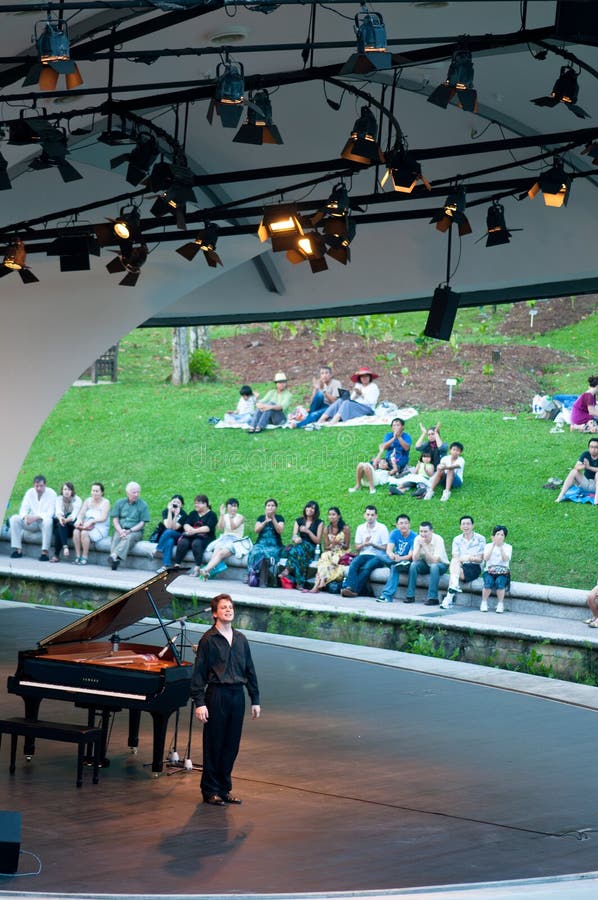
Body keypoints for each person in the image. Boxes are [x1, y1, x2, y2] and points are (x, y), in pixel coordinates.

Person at [191, 593, 260, 806]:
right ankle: (210, 790)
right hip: (217, 695)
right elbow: (199, 673)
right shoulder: (208, 639)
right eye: (223, 607)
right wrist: (199, 702)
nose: (228, 610)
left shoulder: (240, 638)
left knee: (231, 745)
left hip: (236, 696)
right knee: (214, 744)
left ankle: (224, 788)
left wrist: (255, 698)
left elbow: (250, 669)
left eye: (230, 607)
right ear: (215, 613)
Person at [348, 418, 412, 493]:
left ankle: (372, 485)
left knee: (385, 466)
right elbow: (383, 447)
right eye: (394, 425)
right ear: (392, 427)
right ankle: (358, 484)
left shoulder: (406, 436)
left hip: (399, 461)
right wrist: (394, 438)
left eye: (398, 425)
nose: (396, 427)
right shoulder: (389, 435)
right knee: (366, 465)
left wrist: (399, 437)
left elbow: (406, 447)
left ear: (402, 427)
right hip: (387, 459)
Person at [340, 505, 390, 598]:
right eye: (368, 514)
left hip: (378, 556)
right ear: (364, 515)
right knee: (354, 563)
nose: (370, 517)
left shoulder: (382, 528)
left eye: (372, 515)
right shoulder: (360, 528)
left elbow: (386, 547)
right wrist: (364, 544)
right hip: (364, 554)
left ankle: (354, 591)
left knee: (367, 567)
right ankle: (350, 588)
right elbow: (357, 548)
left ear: (376, 516)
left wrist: (373, 544)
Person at [440, 515, 485, 608]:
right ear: (460, 526)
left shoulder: (480, 539)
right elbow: (455, 557)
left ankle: (449, 598)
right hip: (460, 566)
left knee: (453, 569)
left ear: (473, 525)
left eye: (468, 524)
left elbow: (480, 559)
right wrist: (470, 557)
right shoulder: (457, 539)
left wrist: (467, 558)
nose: (466, 526)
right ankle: (453, 589)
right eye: (463, 524)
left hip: (474, 567)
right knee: (454, 562)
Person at [9, 474, 57, 561]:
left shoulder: (52, 493)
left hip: (43, 523)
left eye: (41, 486)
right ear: (33, 485)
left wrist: (35, 518)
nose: (39, 488)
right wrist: (26, 517)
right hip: (31, 522)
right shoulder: (29, 492)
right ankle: (18, 550)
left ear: (45, 485)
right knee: (14, 519)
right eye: (36, 486)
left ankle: (44, 552)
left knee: (48, 521)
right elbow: (23, 509)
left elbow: (51, 513)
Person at [198, 498, 248, 580]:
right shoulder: (225, 516)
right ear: (227, 507)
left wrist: (231, 518)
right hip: (224, 539)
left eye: (235, 506)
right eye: (231, 506)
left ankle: (206, 569)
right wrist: (221, 515)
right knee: (216, 552)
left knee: (221, 554)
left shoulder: (240, 517)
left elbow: (233, 527)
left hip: (235, 540)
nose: (233, 508)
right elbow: (220, 528)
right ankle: (208, 573)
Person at [279, 501, 323, 589]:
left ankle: (288, 568)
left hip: (312, 547)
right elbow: (294, 536)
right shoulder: (298, 521)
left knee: (296, 550)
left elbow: (318, 541)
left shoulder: (319, 522)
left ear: (315, 511)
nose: (310, 510)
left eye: (313, 508)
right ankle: (300, 583)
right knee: (299, 553)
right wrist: (296, 539)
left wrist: (308, 531)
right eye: (308, 507)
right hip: (300, 546)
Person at [307, 507, 351, 593]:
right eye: (330, 515)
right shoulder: (327, 529)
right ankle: (319, 583)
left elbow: (346, 546)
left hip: (342, 552)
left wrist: (338, 543)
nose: (331, 517)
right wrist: (333, 545)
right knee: (324, 558)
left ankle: (320, 582)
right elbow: (326, 547)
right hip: (331, 551)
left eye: (333, 514)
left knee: (332, 560)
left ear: (338, 516)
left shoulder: (345, 528)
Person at [404, 521, 449, 605]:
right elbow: (414, 559)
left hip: (441, 565)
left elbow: (435, 561)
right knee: (413, 565)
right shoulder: (418, 539)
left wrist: (424, 546)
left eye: (425, 531)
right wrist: (418, 547)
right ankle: (410, 596)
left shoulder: (438, 539)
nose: (423, 534)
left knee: (434, 567)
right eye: (421, 531)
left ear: (432, 531)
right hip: (426, 563)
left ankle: (433, 598)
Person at [108, 482, 150, 571]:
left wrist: (130, 530)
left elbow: (142, 523)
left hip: (135, 531)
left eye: (138, 492)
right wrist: (120, 531)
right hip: (120, 529)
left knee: (128, 538)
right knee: (116, 537)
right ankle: (115, 560)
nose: (136, 494)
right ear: (127, 493)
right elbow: (115, 519)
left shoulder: (143, 505)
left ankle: (114, 556)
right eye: (134, 492)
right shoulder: (119, 503)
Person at [377, 514, 417, 603]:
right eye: (401, 523)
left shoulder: (414, 536)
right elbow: (389, 550)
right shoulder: (394, 533)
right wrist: (392, 555)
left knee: (395, 567)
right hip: (395, 560)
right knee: (380, 556)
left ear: (409, 524)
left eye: (406, 523)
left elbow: (410, 556)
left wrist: (400, 559)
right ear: (397, 525)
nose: (403, 525)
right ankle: (387, 596)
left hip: (407, 562)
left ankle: (386, 595)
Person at [246, 499, 286, 587]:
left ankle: (268, 577)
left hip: (275, 544)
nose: (270, 507)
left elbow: (280, 531)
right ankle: (251, 575)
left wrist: (273, 519)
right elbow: (256, 530)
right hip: (261, 543)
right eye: (268, 505)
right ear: (265, 507)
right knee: (254, 552)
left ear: (276, 508)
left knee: (272, 554)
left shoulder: (279, 518)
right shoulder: (261, 518)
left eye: (273, 505)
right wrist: (265, 521)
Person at [174, 494, 218, 573]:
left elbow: (208, 528)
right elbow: (186, 524)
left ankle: (197, 567)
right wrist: (189, 529)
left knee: (196, 543)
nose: (195, 505)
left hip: (205, 537)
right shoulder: (193, 513)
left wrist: (194, 531)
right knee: (183, 542)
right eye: (195, 503)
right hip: (191, 535)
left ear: (205, 504)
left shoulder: (212, 515)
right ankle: (177, 565)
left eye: (198, 503)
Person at [72, 482, 111, 565]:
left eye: (97, 491)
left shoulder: (106, 502)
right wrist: (79, 519)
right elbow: (81, 513)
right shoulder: (88, 501)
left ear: (102, 492)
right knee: (75, 532)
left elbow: (103, 517)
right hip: (87, 525)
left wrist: (92, 521)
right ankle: (78, 555)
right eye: (93, 491)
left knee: (84, 533)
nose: (94, 493)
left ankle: (85, 557)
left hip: (100, 527)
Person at [555, 437, 598, 503]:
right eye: (591, 447)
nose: (593, 449)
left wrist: (589, 467)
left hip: (596, 484)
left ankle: (596, 500)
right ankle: (561, 496)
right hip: (586, 483)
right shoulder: (585, 454)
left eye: (596, 447)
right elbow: (576, 466)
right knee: (573, 472)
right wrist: (584, 466)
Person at [480, 525, 512, 613]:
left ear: (504, 537)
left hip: (503, 572)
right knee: (488, 582)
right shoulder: (488, 546)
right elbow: (485, 558)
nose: (500, 536)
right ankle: (484, 602)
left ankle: (500, 604)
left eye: (502, 535)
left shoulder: (508, 547)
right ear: (494, 536)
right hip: (489, 571)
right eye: (498, 534)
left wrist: (501, 547)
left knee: (500, 582)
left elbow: (506, 559)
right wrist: (493, 546)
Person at [51, 482, 82, 562]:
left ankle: (57, 555)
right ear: (62, 490)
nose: (66, 491)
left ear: (72, 491)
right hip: (61, 523)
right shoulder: (58, 499)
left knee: (59, 527)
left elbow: (74, 515)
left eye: (69, 489)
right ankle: (65, 548)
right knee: (59, 524)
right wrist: (61, 519)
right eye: (65, 489)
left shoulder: (77, 500)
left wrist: (65, 520)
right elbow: (58, 512)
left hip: (71, 526)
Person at [154, 494, 186, 572]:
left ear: (181, 505)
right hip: (168, 536)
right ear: (170, 503)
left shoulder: (183, 514)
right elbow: (168, 526)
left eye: (178, 503)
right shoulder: (166, 511)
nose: (175, 504)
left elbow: (174, 528)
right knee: (169, 541)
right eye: (174, 502)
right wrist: (169, 511)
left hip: (178, 536)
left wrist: (176, 515)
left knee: (169, 532)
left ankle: (158, 549)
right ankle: (166, 566)